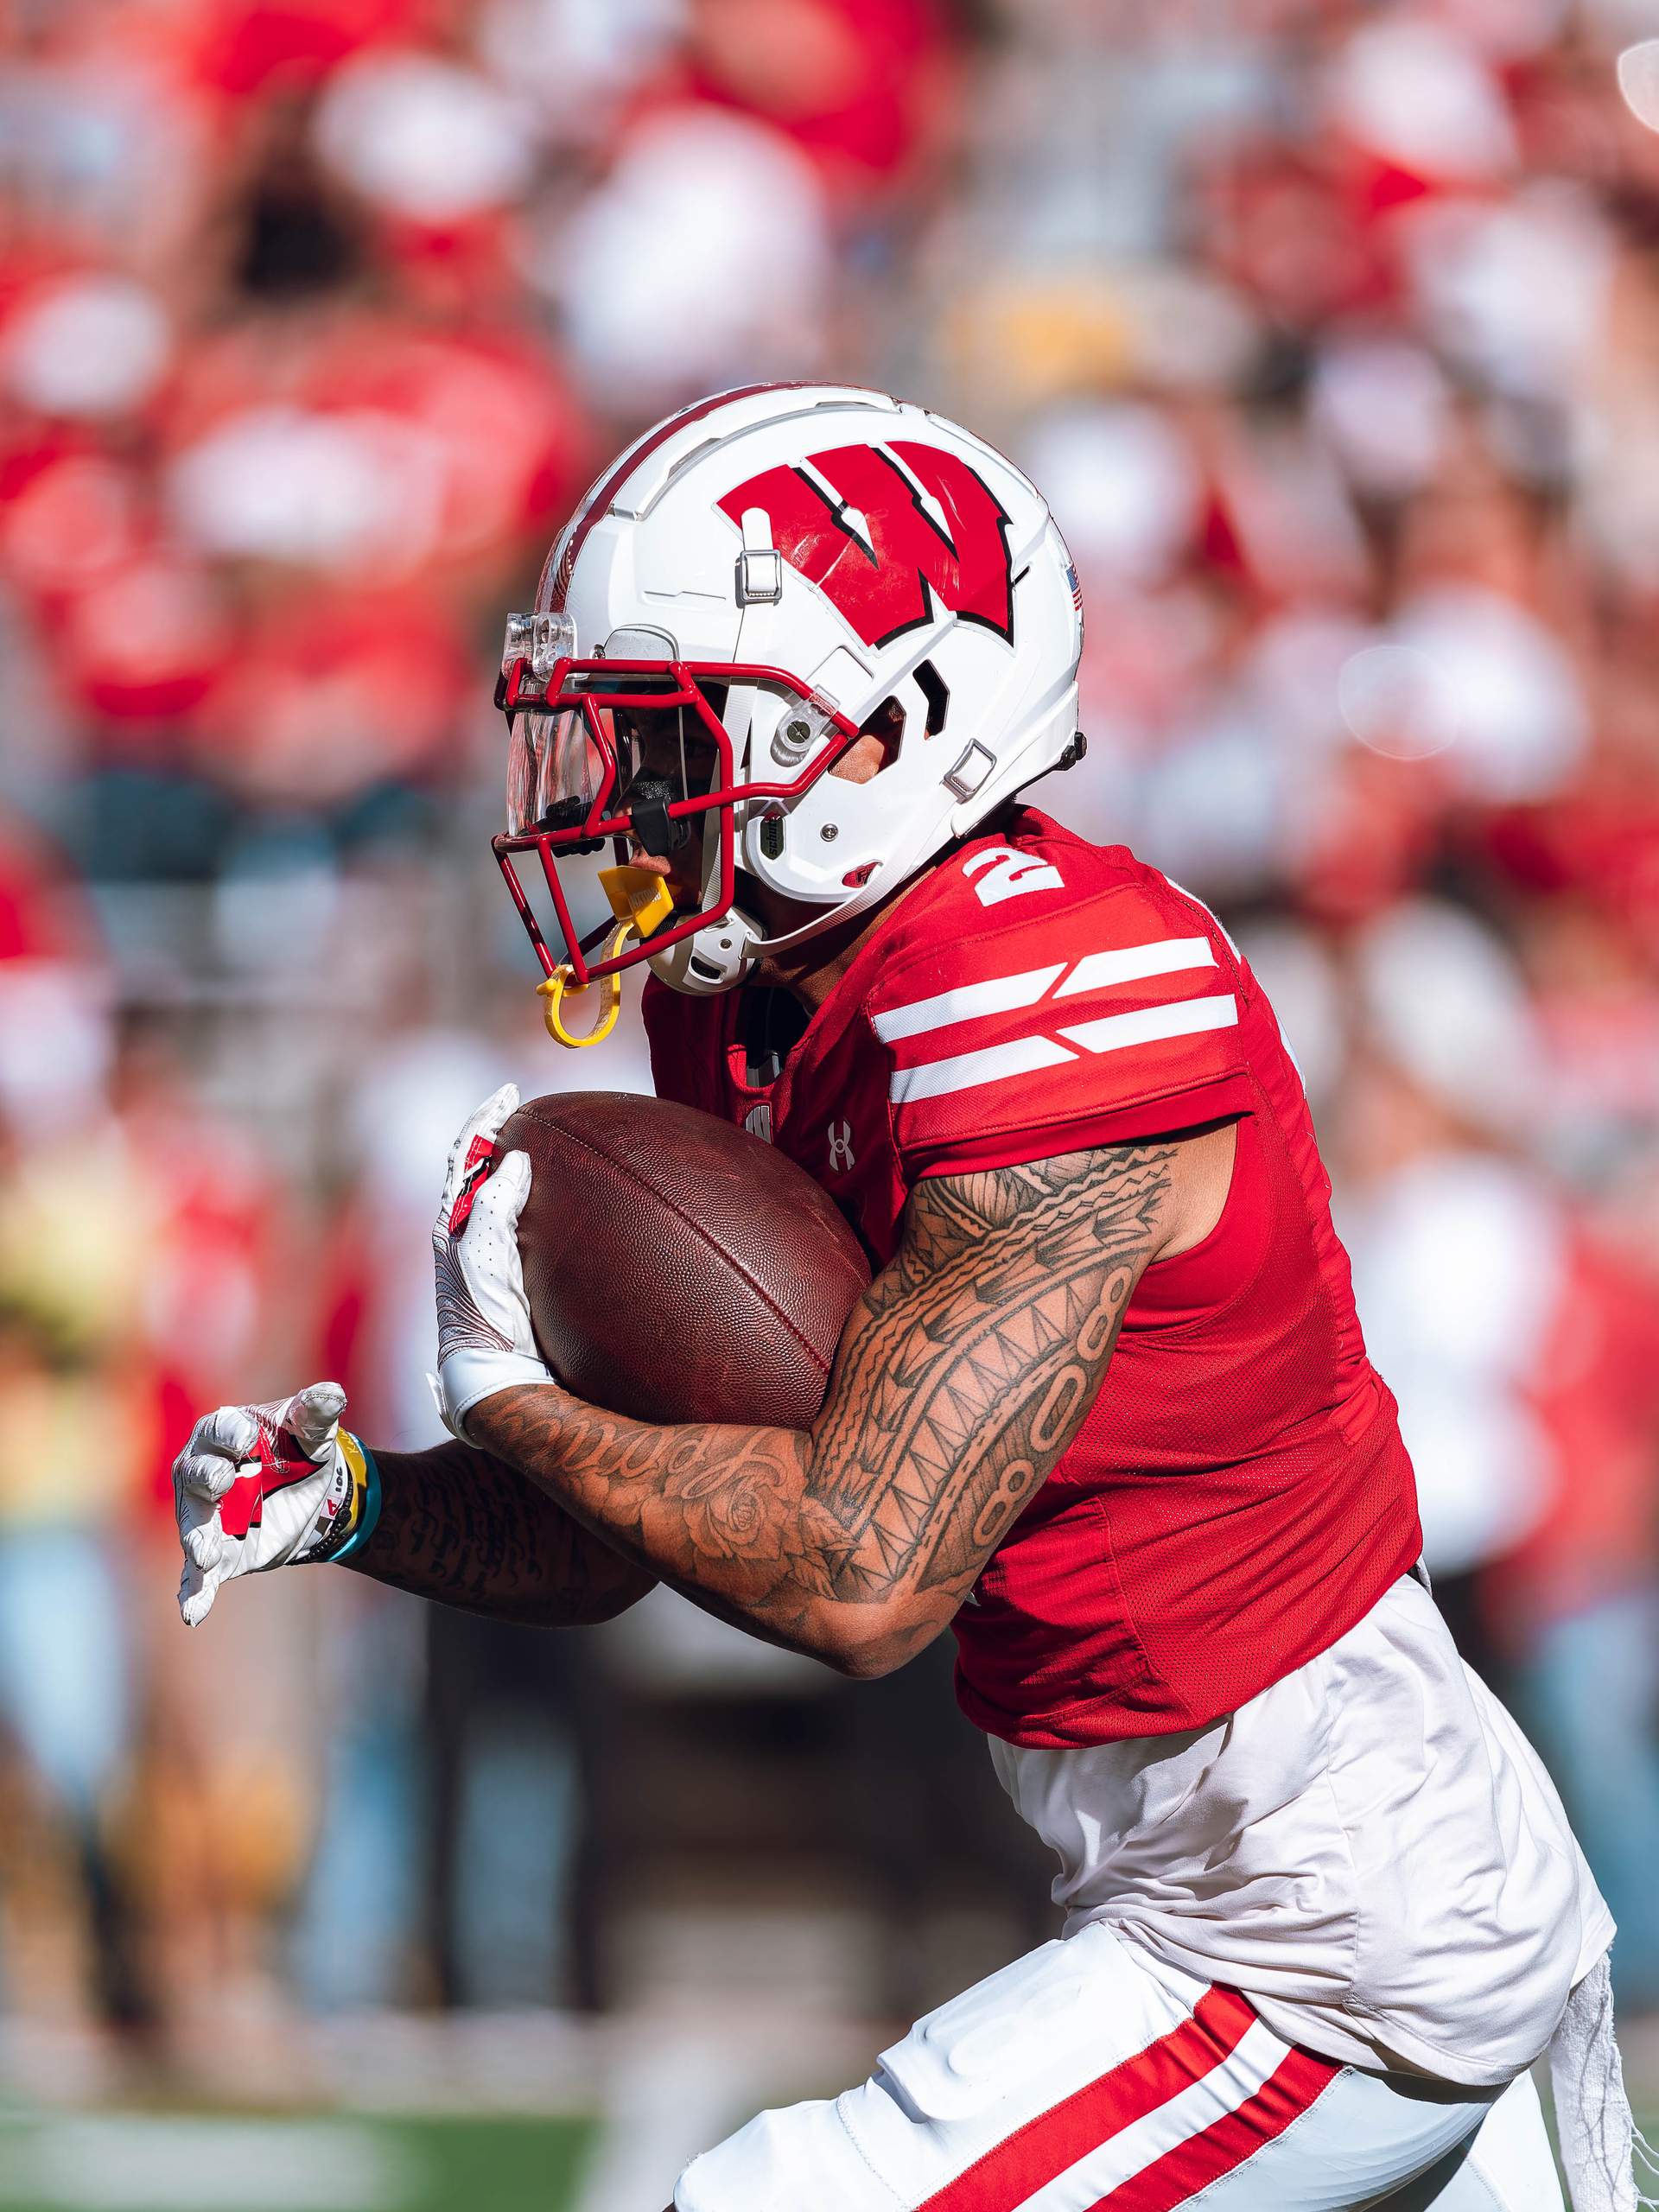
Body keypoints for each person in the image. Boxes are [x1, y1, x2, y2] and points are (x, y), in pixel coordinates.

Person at [172, 386, 1637, 2212]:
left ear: (884, 729)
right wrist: (367, 1499)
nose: (618, 796)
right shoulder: (750, 997)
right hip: (1211, 1849)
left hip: (1321, 1900)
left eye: (668, 736)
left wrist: (508, 1394)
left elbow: (860, 1569)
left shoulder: (1050, 987)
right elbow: (665, 1525)